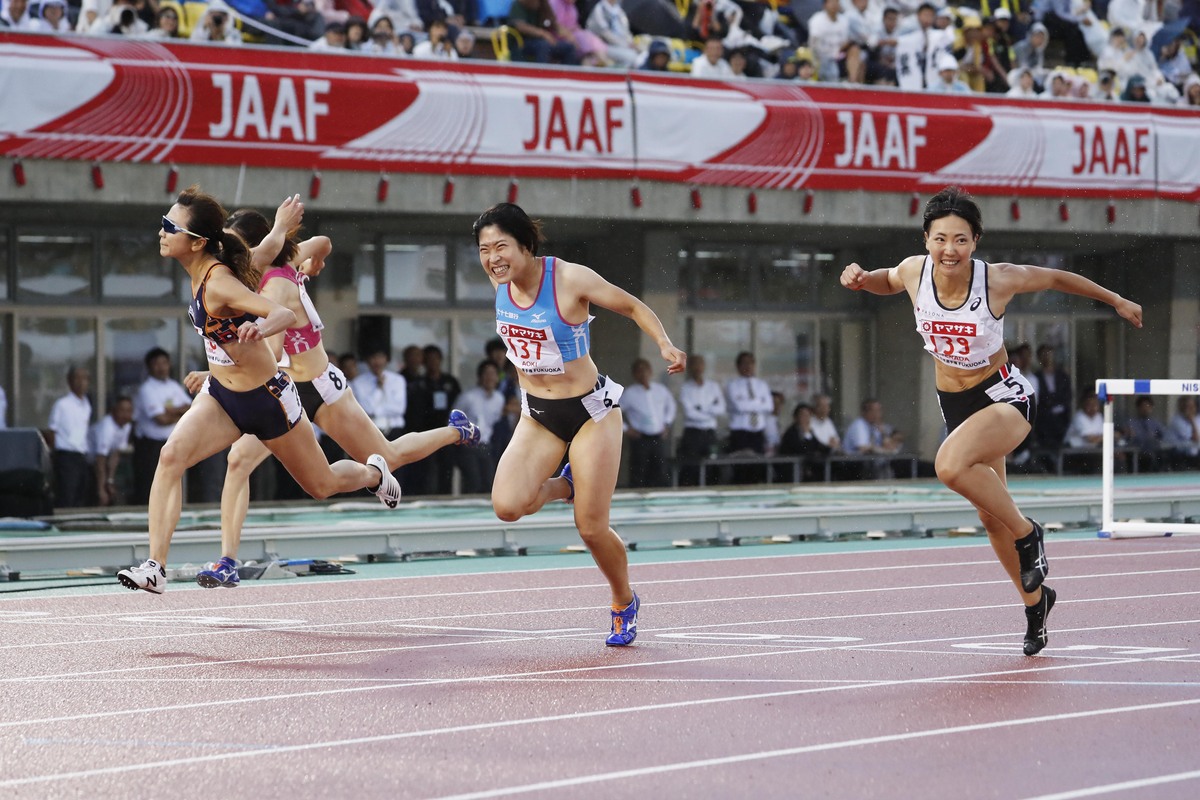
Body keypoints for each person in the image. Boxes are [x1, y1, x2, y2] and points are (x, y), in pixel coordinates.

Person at [840, 185, 1142, 656]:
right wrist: (861, 279)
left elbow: (1058, 279)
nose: (950, 250)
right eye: (941, 239)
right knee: (989, 515)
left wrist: (1116, 299)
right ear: (926, 241)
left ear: (975, 242)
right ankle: (1036, 604)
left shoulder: (997, 280)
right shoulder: (914, 271)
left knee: (948, 467)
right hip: (954, 402)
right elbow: (886, 280)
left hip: (1003, 396)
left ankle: (1031, 534)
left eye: (961, 240)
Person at [116, 185, 402, 595]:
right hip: (223, 398)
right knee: (171, 456)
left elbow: (283, 312)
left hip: (269, 400)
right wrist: (282, 228)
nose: (161, 232)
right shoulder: (216, 264)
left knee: (320, 485)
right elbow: (264, 251)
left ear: (196, 243)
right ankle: (155, 567)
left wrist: (260, 326)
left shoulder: (221, 285)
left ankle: (374, 473)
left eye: (169, 226)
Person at [192, 207, 480, 588]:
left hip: (319, 387)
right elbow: (323, 242)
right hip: (282, 391)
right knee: (239, 461)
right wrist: (316, 263)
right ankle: (227, 560)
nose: (231, 256)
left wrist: (218, 371)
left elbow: (272, 354)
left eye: (238, 248)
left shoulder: (277, 283)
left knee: (389, 455)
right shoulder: (264, 270)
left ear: (263, 245)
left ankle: (455, 432)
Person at [475, 202, 686, 645]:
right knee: (508, 506)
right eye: (483, 249)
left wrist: (664, 344)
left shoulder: (569, 278)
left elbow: (630, 306)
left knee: (589, 527)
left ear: (527, 245)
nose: (492, 258)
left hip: (592, 412)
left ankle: (622, 601)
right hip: (539, 415)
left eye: (501, 246)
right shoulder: (500, 282)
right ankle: (564, 484)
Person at [132, 348, 192, 505]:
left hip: (172, 443)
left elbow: (192, 410)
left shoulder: (173, 386)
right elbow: (161, 419)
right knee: (151, 487)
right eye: (157, 364)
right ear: (149, 367)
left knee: (171, 486)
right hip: (151, 446)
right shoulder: (146, 389)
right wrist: (179, 412)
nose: (162, 367)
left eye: (164, 363)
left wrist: (170, 410)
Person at [620, 357, 676, 488]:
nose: (643, 374)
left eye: (645, 370)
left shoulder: (660, 389)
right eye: (639, 371)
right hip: (640, 438)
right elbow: (614, 412)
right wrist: (626, 429)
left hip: (658, 436)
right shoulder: (629, 393)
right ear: (634, 374)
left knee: (660, 469)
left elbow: (671, 406)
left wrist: (667, 423)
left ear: (650, 371)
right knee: (639, 471)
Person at [47, 366, 94, 508]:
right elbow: (51, 431)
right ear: (69, 381)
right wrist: (56, 454)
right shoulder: (62, 404)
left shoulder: (86, 405)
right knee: (67, 493)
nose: (81, 382)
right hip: (66, 455)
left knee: (81, 493)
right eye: (77, 378)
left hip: (81, 455)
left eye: (84, 379)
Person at [457, 360, 506, 494]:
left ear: (497, 377)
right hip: (467, 445)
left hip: (486, 444)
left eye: (493, 374)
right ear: (480, 377)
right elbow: (452, 421)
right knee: (473, 482)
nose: (490, 377)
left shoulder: (499, 398)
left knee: (489, 482)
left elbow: (495, 420)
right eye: (486, 374)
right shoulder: (468, 397)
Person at [676, 354, 726, 486]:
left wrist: (702, 409)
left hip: (709, 433)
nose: (697, 367)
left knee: (712, 467)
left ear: (704, 366)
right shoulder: (685, 388)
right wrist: (710, 411)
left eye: (700, 364)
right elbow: (690, 413)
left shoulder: (713, 386)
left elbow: (721, 408)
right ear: (690, 367)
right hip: (693, 433)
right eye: (694, 364)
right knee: (691, 468)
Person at [724, 350, 773, 484]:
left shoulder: (761, 385)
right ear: (738, 366)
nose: (748, 366)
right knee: (741, 468)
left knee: (757, 468)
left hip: (757, 432)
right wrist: (758, 402)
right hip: (741, 433)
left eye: (751, 363)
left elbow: (769, 406)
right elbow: (740, 407)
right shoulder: (732, 385)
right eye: (744, 363)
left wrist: (749, 402)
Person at [90, 396, 134, 507]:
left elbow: (116, 454)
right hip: (88, 463)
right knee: (97, 495)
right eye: (122, 410)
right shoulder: (107, 427)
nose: (126, 415)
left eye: (129, 411)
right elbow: (100, 460)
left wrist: (110, 481)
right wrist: (101, 489)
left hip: (103, 462)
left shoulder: (126, 426)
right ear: (114, 411)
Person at [778, 402, 831, 482]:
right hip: (791, 470)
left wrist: (830, 449)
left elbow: (818, 446)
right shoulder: (791, 432)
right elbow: (802, 449)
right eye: (803, 415)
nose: (806, 418)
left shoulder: (809, 432)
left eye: (808, 415)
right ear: (796, 418)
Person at [1124, 395, 1170, 472]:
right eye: (1143, 406)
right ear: (1138, 408)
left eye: (1148, 406)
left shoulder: (1155, 423)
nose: (1145, 409)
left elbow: (1165, 435)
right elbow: (1128, 439)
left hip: (1153, 452)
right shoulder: (1131, 423)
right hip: (1138, 453)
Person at [1169, 395, 1200, 469]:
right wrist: (1192, 421)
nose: (1191, 409)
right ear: (1182, 407)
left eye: (1192, 406)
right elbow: (1195, 438)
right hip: (1180, 455)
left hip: (1195, 454)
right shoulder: (1176, 421)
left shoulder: (1198, 418)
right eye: (1188, 407)